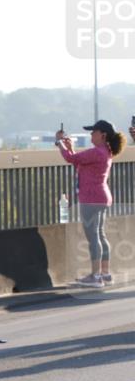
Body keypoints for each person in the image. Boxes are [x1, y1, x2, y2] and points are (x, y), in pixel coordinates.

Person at [55, 119, 126, 288]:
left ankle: (95, 276)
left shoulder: (97, 152)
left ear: (103, 135)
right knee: (100, 234)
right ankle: (105, 273)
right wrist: (69, 146)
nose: (91, 135)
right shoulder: (105, 151)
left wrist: (59, 143)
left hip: (91, 198)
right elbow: (78, 160)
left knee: (93, 236)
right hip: (101, 196)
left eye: (93, 132)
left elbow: (70, 158)